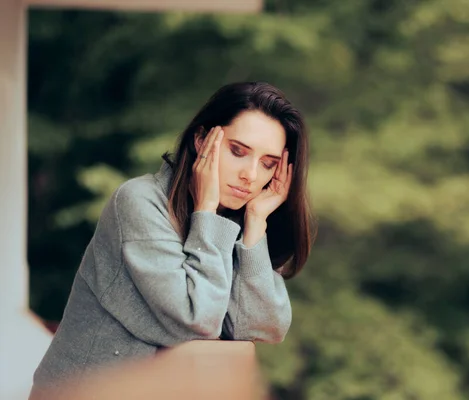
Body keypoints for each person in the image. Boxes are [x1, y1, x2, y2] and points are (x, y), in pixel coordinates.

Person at [29, 81, 316, 394]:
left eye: (268, 164)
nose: (250, 174)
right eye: (238, 151)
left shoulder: (234, 220)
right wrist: (205, 212)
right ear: (201, 139)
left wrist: (256, 225)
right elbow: (197, 321)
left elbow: (265, 326)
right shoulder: (139, 202)